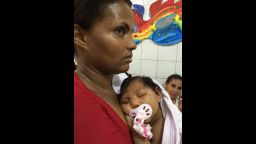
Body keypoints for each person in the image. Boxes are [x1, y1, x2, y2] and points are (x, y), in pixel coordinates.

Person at [74, 0, 140, 143]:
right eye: (120, 30)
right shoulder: (78, 104)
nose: (132, 45)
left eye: (131, 32)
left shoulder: (124, 89)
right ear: (79, 36)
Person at [119, 76, 182, 144]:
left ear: (158, 94)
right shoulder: (128, 128)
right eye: (126, 101)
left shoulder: (178, 126)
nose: (134, 103)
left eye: (141, 95)